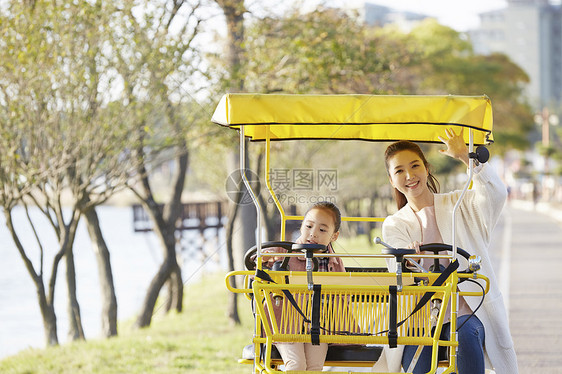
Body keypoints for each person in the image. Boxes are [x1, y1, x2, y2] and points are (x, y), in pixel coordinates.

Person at [381, 128, 518, 374]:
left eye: (415, 166)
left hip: (466, 309)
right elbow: (395, 265)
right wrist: (409, 261)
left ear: (426, 168)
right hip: (419, 316)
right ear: (392, 180)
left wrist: (467, 157)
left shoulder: (459, 203)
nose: (410, 175)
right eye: (399, 171)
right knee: (418, 361)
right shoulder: (395, 224)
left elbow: (495, 194)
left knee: (463, 335)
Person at [261, 201, 345, 371]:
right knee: (296, 364)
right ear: (301, 227)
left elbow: (343, 295)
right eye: (309, 226)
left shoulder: (334, 263)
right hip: (286, 324)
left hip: (319, 325)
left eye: (322, 230)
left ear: (334, 236)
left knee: (314, 367)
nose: (313, 234)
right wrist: (264, 258)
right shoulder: (284, 252)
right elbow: (260, 262)